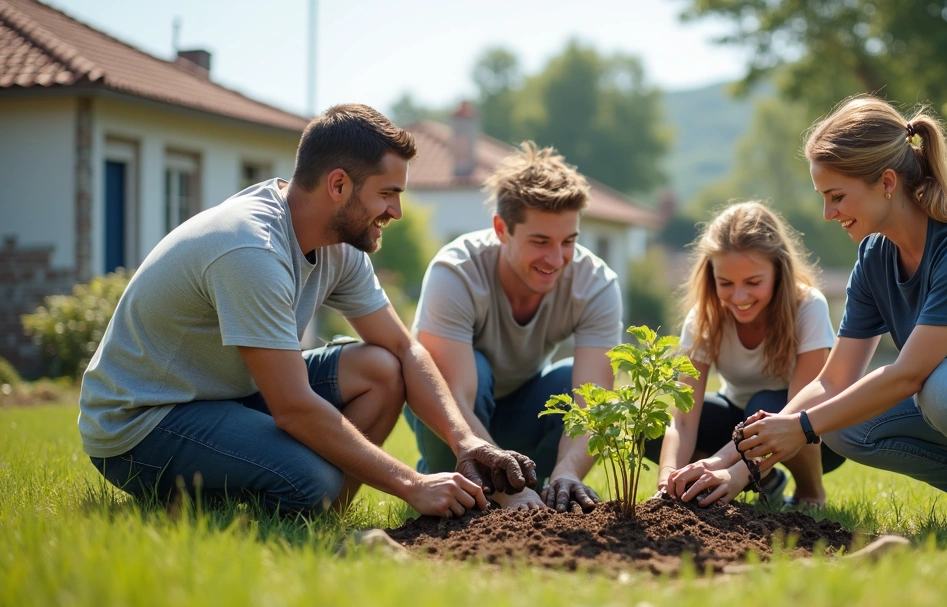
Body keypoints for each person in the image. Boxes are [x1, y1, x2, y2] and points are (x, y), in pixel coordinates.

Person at [668, 97, 947, 526]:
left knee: (943, 385)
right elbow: (832, 380)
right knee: (843, 425)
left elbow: (909, 375)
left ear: (886, 183)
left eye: (838, 196)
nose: (828, 212)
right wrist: (726, 459)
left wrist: (800, 426)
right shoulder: (875, 257)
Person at [80, 104, 536, 518]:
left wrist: (467, 440)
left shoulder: (341, 244)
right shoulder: (250, 249)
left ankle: (314, 512)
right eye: (388, 193)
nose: (396, 211)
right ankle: (275, 500)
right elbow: (294, 408)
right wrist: (413, 485)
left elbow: (402, 347)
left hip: (225, 395)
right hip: (145, 421)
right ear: (338, 184)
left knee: (381, 368)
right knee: (310, 479)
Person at [406, 142, 620, 513]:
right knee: (478, 370)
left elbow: (594, 404)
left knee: (572, 380)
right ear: (502, 229)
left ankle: (541, 486)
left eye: (568, 241)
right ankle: (453, 475)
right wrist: (510, 491)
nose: (556, 259)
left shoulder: (596, 284)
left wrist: (570, 473)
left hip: (521, 401)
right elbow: (450, 397)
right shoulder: (456, 272)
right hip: (452, 411)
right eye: (540, 242)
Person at [650, 201, 844, 508]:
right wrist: (667, 480)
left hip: (812, 431)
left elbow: (801, 409)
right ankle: (766, 480)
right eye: (725, 283)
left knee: (765, 407)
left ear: (779, 271)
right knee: (653, 426)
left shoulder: (809, 306)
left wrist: (726, 465)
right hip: (738, 423)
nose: (739, 297)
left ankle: (811, 492)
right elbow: (684, 421)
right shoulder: (704, 318)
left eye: (753, 282)